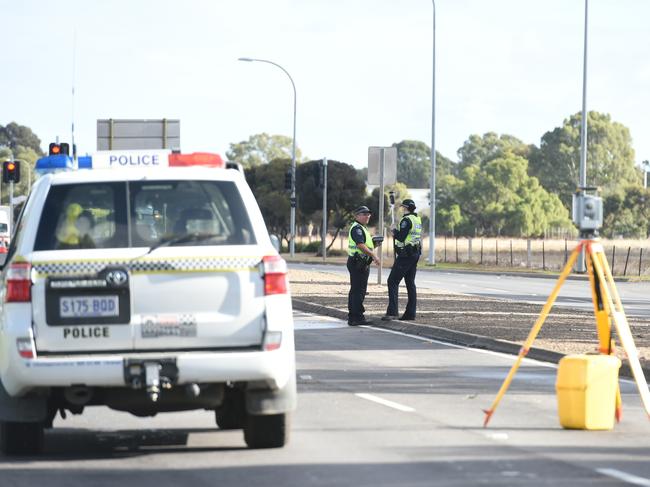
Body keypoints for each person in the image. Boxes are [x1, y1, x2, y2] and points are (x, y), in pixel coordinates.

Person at [382, 198, 422, 321]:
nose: (402, 210)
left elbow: (401, 237)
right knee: (410, 283)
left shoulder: (406, 220)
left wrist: (394, 230)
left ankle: (392, 312)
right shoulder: (417, 219)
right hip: (415, 253)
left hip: (406, 255)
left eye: (403, 208)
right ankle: (410, 314)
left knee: (392, 281)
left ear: (406, 208)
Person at [347, 205, 380, 326]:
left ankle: (353, 317)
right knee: (358, 291)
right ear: (357, 216)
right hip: (357, 263)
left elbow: (363, 245)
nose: (367, 216)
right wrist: (374, 255)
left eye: (368, 214)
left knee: (356, 290)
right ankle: (357, 317)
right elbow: (360, 245)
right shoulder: (357, 229)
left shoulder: (361, 228)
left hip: (359, 262)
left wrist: (374, 244)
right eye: (364, 214)